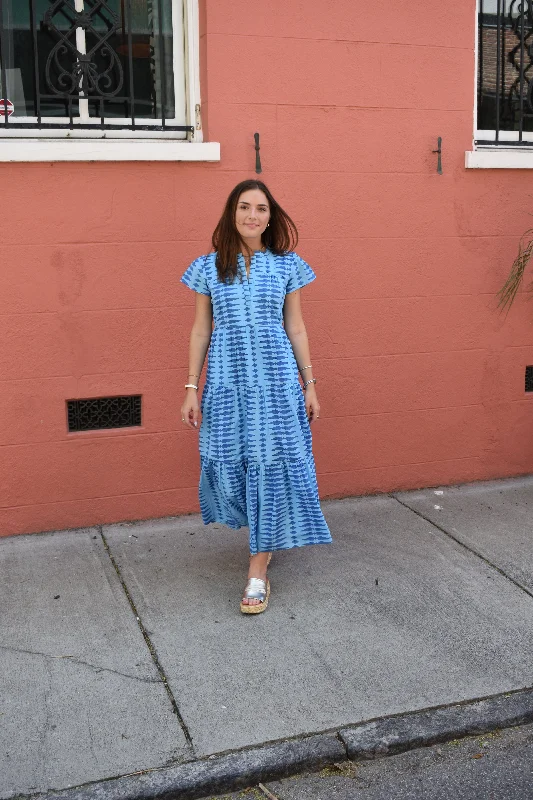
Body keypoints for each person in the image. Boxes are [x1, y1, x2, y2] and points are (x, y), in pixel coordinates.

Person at [180, 179, 332, 615]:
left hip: (277, 384)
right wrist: (191, 387)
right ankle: (266, 531)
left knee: (272, 464)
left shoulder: (288, 265)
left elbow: (296, 328)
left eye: (261, 208)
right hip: (227, 384)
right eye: (244, 207)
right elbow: (200, 330)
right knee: (226, 462)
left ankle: (257, 569)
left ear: (271, 216)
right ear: (232, 213)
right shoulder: (208, 268)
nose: (252, 215)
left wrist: (310, 383)